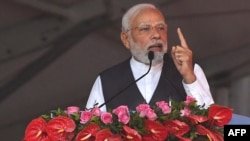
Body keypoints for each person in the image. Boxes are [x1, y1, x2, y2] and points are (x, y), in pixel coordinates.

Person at [86, 3, 214, 111]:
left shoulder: (192, 71)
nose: (157, 35)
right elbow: (89, 130)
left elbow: (213, 125)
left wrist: (189, 78)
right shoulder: (107, 80)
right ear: (126, 39)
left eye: (161, 28)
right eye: (145, 29)